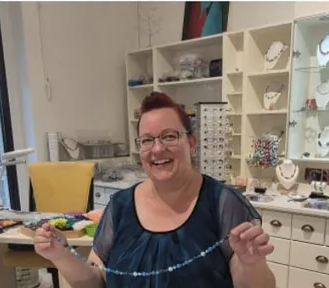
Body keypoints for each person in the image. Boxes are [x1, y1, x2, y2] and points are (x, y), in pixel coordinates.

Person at [33, 92, 275, 287]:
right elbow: (95, 282)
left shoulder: (222, 204)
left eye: (169, 136)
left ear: (191, 143)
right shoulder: (120, 207)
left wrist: (252, 263)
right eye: (147, 140)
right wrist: (61, 255)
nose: (157, 149)